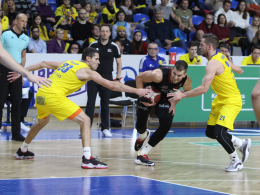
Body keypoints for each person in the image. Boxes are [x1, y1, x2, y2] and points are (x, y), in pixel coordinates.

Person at [13, 47, 151, 169]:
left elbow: (43, 63)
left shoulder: (69, 63)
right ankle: (87, 158)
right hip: (53, 96)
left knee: (42, 122)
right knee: (85, 120)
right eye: (96, 59)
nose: (99, 62)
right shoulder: (87, 71)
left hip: (42, 94)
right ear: (88, 58)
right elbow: (113, 85)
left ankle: (22, 150)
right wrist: (137, 91)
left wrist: (22, 72)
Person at [168, 34, 251, 172]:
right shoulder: (221, 57)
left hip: (231, 100)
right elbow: (239, 69)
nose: (199, 47)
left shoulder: (212, 63)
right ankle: (241, 143)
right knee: (211, 132)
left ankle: (236, 161)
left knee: (219, 132)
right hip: (220, 99)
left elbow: (203, 89)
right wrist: (229, 68)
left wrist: (181, 94)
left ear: (209, 47)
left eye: (201, 45)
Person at [134, 60, 192, 166]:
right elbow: (139, 78)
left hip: (165, 98)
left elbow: (187, 91)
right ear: (172, 69)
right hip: (150, 93)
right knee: (140, 126)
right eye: (174, 73)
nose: (175, 77)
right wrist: (141, 97)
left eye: (179, 75)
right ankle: (143, 134)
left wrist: (174, 102)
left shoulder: (186, 80)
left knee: (166, 124)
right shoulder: (158, 75)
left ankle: (143, 154)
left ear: (184, 74)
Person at [85, 24, 122, 137]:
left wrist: (117, 78)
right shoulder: (93, 45)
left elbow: (119, 63)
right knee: (90, 104)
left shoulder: (114, 46)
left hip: (107, 77)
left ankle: (105, 128)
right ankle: (86, 129)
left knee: (105, 103)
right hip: (93, 77)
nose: (104, 33)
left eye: (107, 31)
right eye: (102, 31)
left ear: (110, 33)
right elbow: (86, 60)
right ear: (99, 32)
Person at [0, 13, 29, 141]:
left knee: (17, 103)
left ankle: (16, 134)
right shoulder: (5, 34)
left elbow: (23, 56)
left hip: (17, 70)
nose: (24, 23)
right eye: (22, 21)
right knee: (0, 102)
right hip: (3, 68)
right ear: (15, 21)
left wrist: (21, 72)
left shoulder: (25, 38)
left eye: (26, 21)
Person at [0, 21, 50, 87]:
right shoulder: (6, 34)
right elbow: (2, 54)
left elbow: (2, 53)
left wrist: (25, 74)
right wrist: (28, 74)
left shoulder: (25, 38)